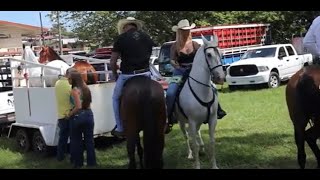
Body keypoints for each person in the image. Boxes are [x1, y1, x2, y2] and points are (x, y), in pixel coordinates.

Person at [165, 19, 227, 134]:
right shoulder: (175, 46)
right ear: (179, 32)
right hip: (179, 71)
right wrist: (175, 65)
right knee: (170, 92)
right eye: (183, 30)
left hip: (194, 71)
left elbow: (203, 58)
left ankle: (217, 110)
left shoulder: (195, 45)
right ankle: (169, 118)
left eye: (188, 30)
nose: (186, 32)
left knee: (212, 88)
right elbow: (172, 60)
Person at [110, 17, 156, 138]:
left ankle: (120, 127)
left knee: (115, 98)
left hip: (127, 75)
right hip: (146, 73)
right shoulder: (146, 37)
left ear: (125, 27)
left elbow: (113, 61)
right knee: (161, 93)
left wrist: (115, 74)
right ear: (135, 26)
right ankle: (166, 120)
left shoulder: (121, 38)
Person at [67, 68, 97, 168]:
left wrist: (70, 114)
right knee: (89, 141)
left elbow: (78, 106)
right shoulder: (86, 88)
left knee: (77, 141)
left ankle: (78, 163)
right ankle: (91, 163)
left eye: (69, 79)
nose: (68, 80)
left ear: (74, 79)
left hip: (78, 117)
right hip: (89, 115)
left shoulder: (75, 90)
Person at [55, 69, 72, 162]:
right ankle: (73, 157)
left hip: (61, 115)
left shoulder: (57, 83)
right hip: (69, 114)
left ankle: (60, 157)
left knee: (62, 138)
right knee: (73, 137)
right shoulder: (70, 85)